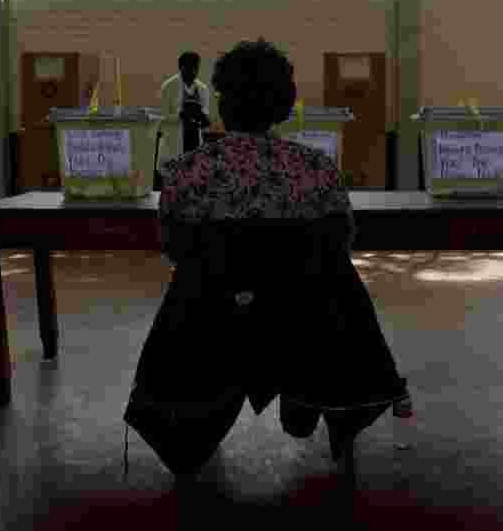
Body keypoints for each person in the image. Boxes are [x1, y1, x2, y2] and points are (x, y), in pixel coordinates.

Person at [123, 37, 410, 480]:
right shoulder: (318, 169)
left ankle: (197, 429)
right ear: (285, 104)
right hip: (310, 330)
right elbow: (341, 243)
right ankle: (307, 395)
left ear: (222, 103)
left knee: (204, 300)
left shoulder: (186, 172)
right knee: (327, 298)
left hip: (208, 331)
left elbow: (173, 248)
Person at [156, 52, 211, 189]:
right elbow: (160, 121)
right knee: (171, 190)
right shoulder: (168, 87)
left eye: (196, 68)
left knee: (192, 191)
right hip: (173, 148)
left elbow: (205, 122)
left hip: (194, 147)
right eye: (189, 67)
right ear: (181, 67)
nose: (193, 72)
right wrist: (180, 116)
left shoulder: (202, 89)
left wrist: (203, 118)